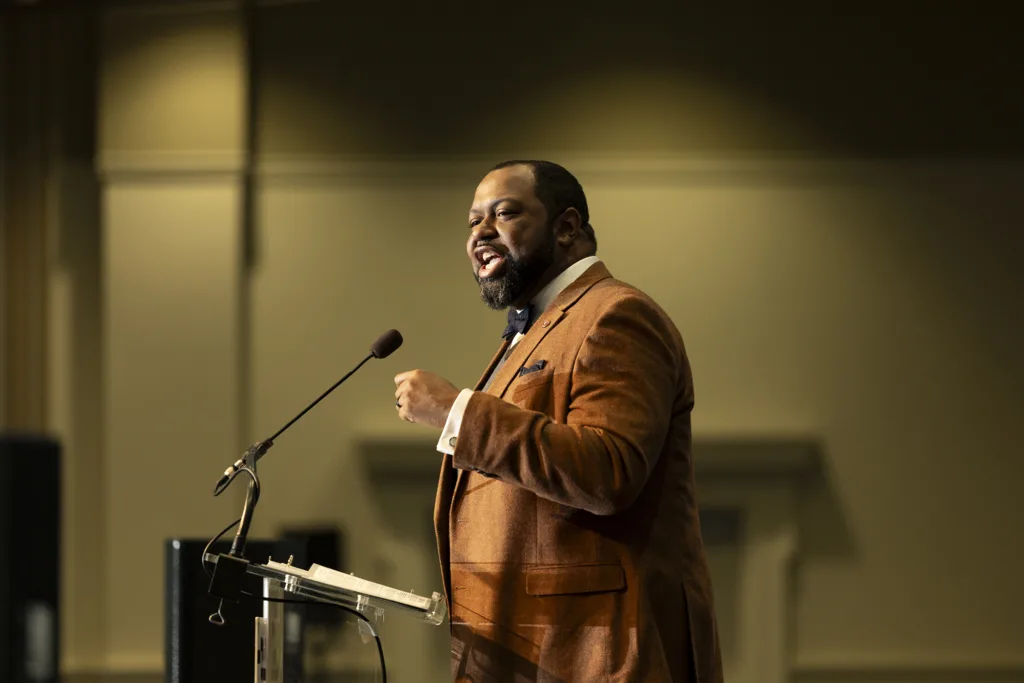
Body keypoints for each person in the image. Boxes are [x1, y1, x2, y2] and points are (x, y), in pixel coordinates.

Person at [393, 160, 723, 682]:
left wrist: (458, 411)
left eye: (504, 213)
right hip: (527, 649)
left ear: (567, 228)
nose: (481, 232)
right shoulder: (532, 330)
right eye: (473, 220)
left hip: (599, 653)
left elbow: (609, 469)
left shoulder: (617, 314)